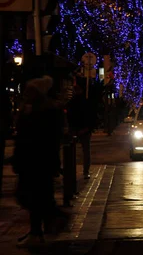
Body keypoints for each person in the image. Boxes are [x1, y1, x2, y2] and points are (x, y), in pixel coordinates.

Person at [12, 76, 65, 247]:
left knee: (33, 197)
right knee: (37, 196)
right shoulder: (35, 109)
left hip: (36, 161)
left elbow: (35, 137)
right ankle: (40, 229)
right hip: (35, 160)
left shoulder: (42, 111)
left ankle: (43, 227)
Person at [67, 85, 95, 179]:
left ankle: (78, 171)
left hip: (79, 129)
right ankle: (85, 171)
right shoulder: (84, 102)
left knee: (74, 151)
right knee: (84, 151)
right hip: (81, 129)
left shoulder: (74, 103)